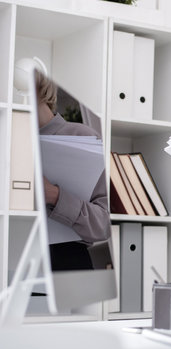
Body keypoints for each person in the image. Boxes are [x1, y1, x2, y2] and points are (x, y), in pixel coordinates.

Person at [35, 70, 111, 270]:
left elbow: (104, 224)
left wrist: (55, 195)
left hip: (65, 262)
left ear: (40, 84)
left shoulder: (82, 137)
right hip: (13, 260)